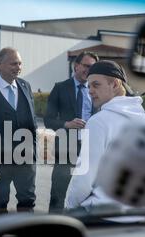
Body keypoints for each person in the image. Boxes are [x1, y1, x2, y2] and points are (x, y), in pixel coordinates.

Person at [65, 60, 145, 209]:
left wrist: (70, 206)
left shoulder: (98, 121)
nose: (90, 90)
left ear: (115, 84)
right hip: (136, 216)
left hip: (102, 216)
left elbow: (85, 177)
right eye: (89, 86)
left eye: (96, 84)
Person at [0, 47, 38, 213]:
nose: (18, 67)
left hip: (25, 158)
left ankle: (26, 236)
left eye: (19, 63)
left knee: (27, 200)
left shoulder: (25, 86)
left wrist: (33, 150)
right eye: (13, 63)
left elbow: (32, 122)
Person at [44, 51, 99, 212]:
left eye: (93, 67)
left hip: (91, 147)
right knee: (58, 192)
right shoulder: (60, 88)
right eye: (86, 66)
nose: (89, 70)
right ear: (76, 66)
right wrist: (66, 124)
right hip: (67, 148)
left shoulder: (98, 90)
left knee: (88, 192)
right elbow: (48, 120)